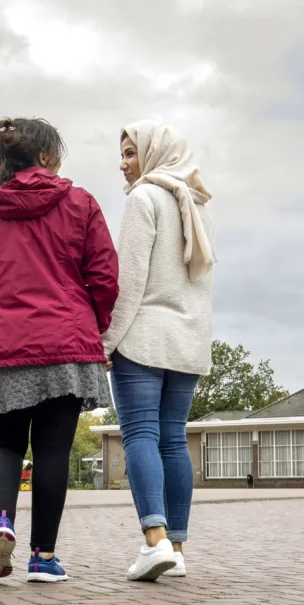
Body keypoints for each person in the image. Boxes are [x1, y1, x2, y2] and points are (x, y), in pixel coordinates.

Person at [0, 116, 119, 583]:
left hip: (1, 343)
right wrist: (93, 327)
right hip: (66, 345)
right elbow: (104, 277)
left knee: (4, 445)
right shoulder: (81, 203)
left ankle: (0, 523)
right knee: (52, 453)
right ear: (46, 157)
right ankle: (42, 558)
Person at [102, 121, 214, 582]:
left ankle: (155, 542)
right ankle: (178, 548)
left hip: (143, 338)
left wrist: (105, 341)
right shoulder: (198, 206)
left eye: (131, 152)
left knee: (141, 436)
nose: (123, 163)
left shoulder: (143, 199)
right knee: (173, 439)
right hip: (188, 341)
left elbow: (126, 283)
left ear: (153, 154)